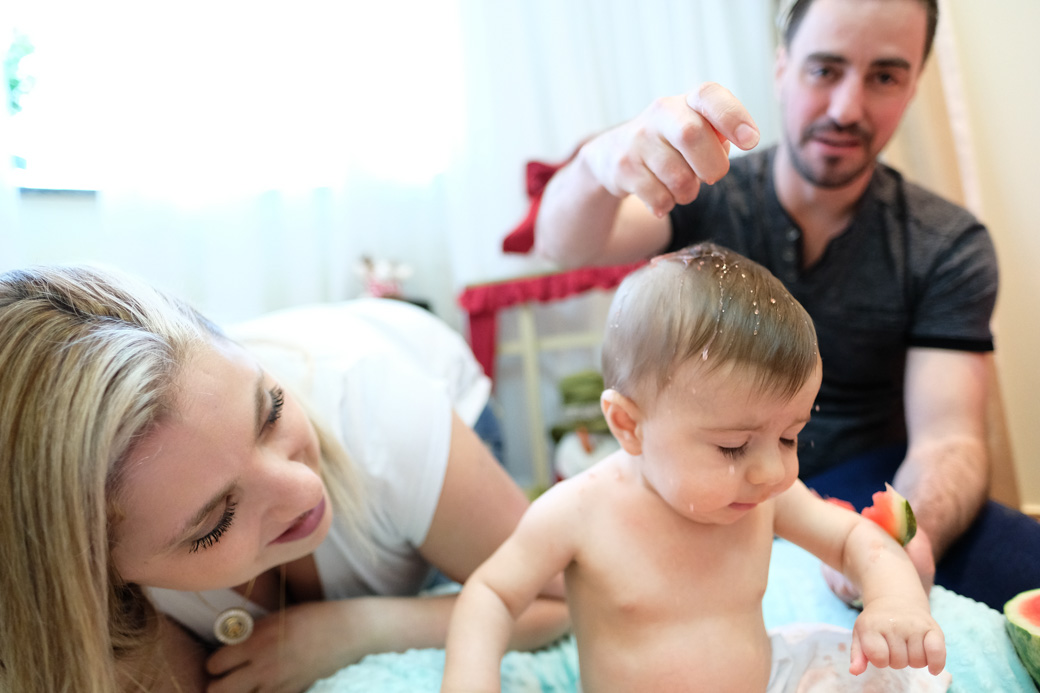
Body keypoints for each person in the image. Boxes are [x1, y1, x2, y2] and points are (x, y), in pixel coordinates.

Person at [525, 0, 1040, 610]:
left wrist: (905, 534)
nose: (847, 108)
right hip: (706, 485)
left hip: (871, 479)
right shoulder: (705, 193)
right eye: (825, 69)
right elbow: (564, 244)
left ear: (914, 85)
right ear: (781, 67)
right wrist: (598, 164)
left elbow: (948, 441)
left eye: (884, 76)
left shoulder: (948, 244)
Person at [0, 264, 568, 693]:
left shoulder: (377, 408)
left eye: (270, 411)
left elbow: (562, 598)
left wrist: (360, 629)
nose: (302, 490)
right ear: (103, 572)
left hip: (428, 378)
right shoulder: (78, 599)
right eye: (213, 519)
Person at [442, 244, 949, 692]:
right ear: (628, 425)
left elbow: (854, 540)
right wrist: (470, 679)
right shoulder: (578, 513)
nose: (771, 470)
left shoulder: (766, 496)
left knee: (890, 680)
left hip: (765, 680)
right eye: (732, 447)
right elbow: (491, 593)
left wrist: (892, 599)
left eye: (789, 436)